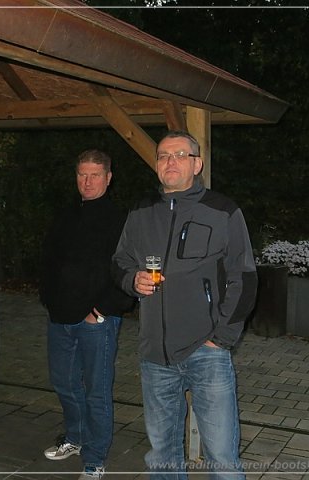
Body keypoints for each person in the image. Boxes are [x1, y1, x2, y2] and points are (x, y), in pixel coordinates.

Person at [112, 131, 257, 479]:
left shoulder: (222, 211)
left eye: (180, 155)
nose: (170, 161)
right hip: (155, 355)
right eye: (163, 156)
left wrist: (221, 338)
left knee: (221, 456)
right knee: (162, 455)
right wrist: (132, 280)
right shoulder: (141, 211)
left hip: (206, 351)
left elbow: (244, 277)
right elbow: (119, 261)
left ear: (197, 164)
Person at [39, 149, 134, 480]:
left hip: (98, 321)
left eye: (95, 175)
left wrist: (103, 309)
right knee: (63, 383)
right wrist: (49, 300)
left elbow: (129, 270)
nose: (88, 181)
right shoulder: (65, 215)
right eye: (82, 174)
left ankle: (95, 458)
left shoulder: (120, 220)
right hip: (60, 317)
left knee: (97, 391)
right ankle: (76, 437)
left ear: (108, 178)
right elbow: (48, 260)